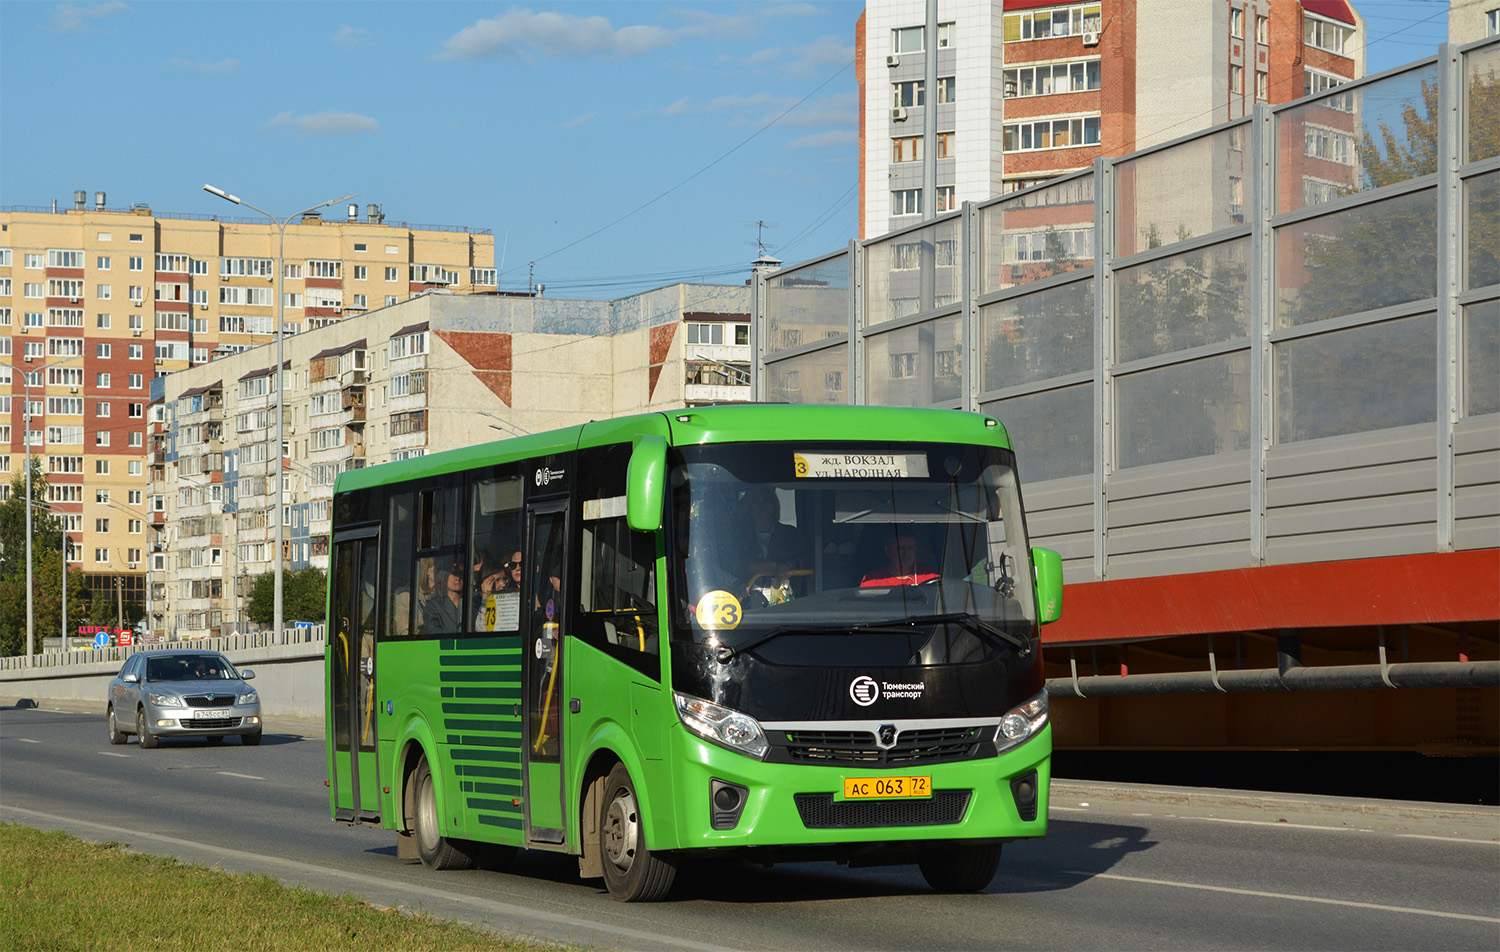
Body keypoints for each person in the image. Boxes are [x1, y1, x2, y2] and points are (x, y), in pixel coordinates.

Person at [725, 487, 804, 591]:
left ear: (775, 504)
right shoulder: (737, 536)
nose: (762, 506)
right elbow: (732, 564)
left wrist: (793, 564)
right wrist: (767, 567)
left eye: (766, 500)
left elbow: (810, 559)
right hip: (748, 600)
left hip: (788, 599)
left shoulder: (791, 533)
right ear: (747, 508)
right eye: (755, 502)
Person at [860, 528, 940, 587]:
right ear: (888, 551)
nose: (906, 553)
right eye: (901, 548)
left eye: (910, 548)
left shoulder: (929, 574)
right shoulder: (873, 579)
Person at [422, 559, 467, 633]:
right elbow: (433, 633)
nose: (457, 578)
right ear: (443, 576)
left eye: (460, 574)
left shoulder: (471, 604)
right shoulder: (433, 607)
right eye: (453, 574)